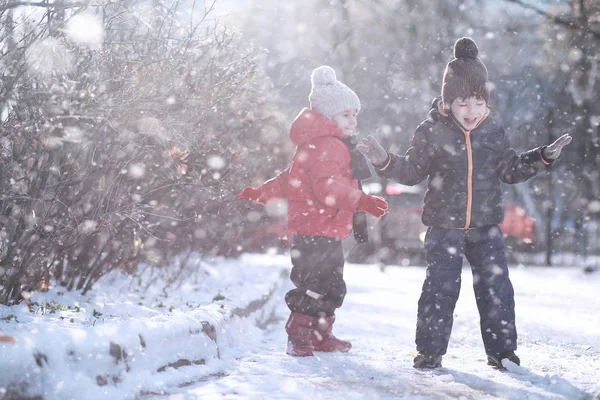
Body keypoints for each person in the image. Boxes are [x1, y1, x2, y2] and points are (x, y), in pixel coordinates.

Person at [357, 37, 572, 369]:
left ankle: (501, 352)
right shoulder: (431, 131)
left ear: (486, 101)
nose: (471, 111)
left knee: (497, 289)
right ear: (447, 103)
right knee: (440, 290)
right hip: (444, 227)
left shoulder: (494, 131)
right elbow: (413, 171)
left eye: (477, 102)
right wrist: (384, 160)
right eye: (462, 103)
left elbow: (510, 170)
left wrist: (542, 157)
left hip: (486, 226)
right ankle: (430, 351)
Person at [236, 66, 388, 357]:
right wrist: (362, 201)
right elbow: (326, 188)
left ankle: (320, 334)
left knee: (332, 285)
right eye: (346, 114)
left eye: (355, 113)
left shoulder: (324, 144)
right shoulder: (328, 146)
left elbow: (290, 178)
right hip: (315, 228)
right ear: (328, 116)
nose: (353, 119)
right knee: (314, 283)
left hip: (324, 228)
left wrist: (261, 192)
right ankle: (299, 334)